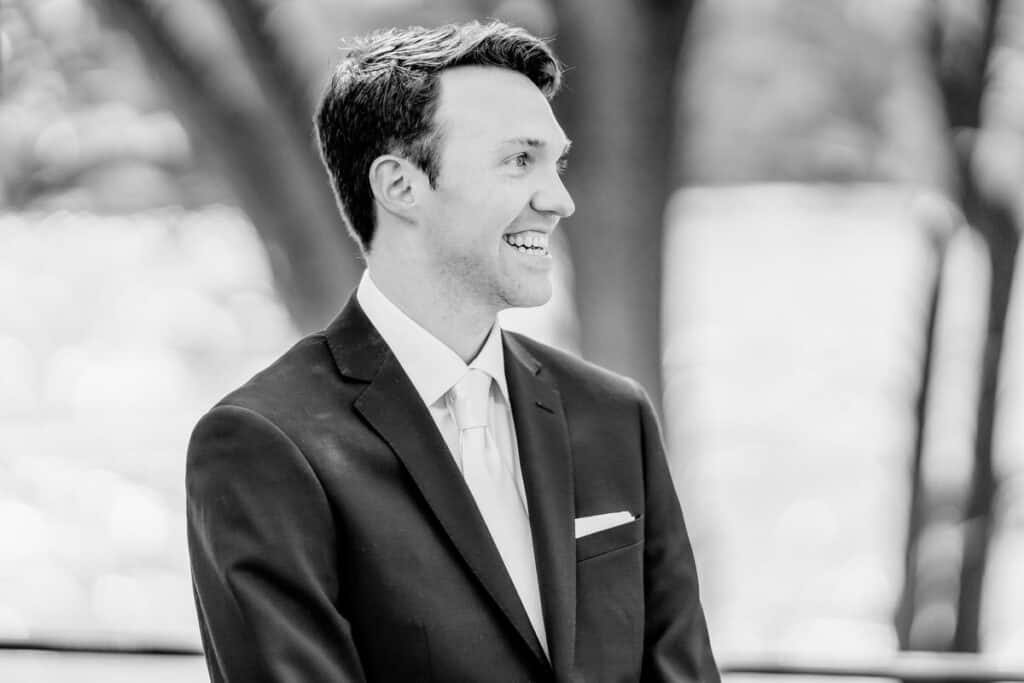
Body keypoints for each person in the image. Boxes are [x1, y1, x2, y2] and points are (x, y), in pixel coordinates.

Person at [186, 20, 719, 683]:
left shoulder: (614, 416)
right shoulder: (263, 444)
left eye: (557, 162)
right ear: (400, 186)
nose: (559, 199)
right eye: (519, 159)